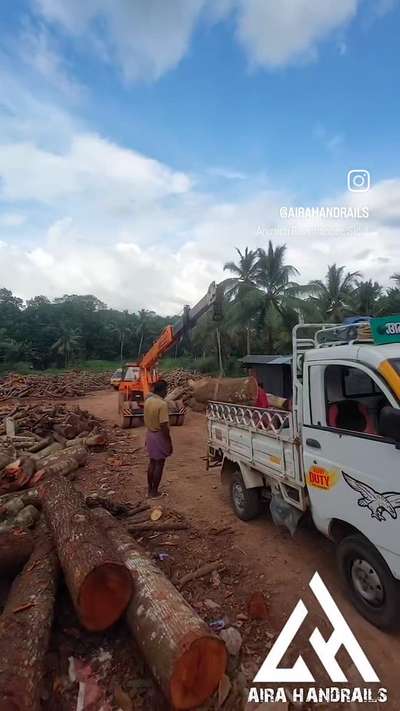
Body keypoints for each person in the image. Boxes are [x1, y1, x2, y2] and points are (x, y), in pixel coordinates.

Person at [144, 379, 173, 498]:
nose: (167, 392)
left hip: (149, 434)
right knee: (159, 464)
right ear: (162, 390)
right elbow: (164, 426)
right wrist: (168, 441)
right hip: (159, 435)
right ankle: (154, 492)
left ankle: (150, 490)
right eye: (166, 390)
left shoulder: (148, 401)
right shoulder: (162, 404)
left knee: (152, 463)